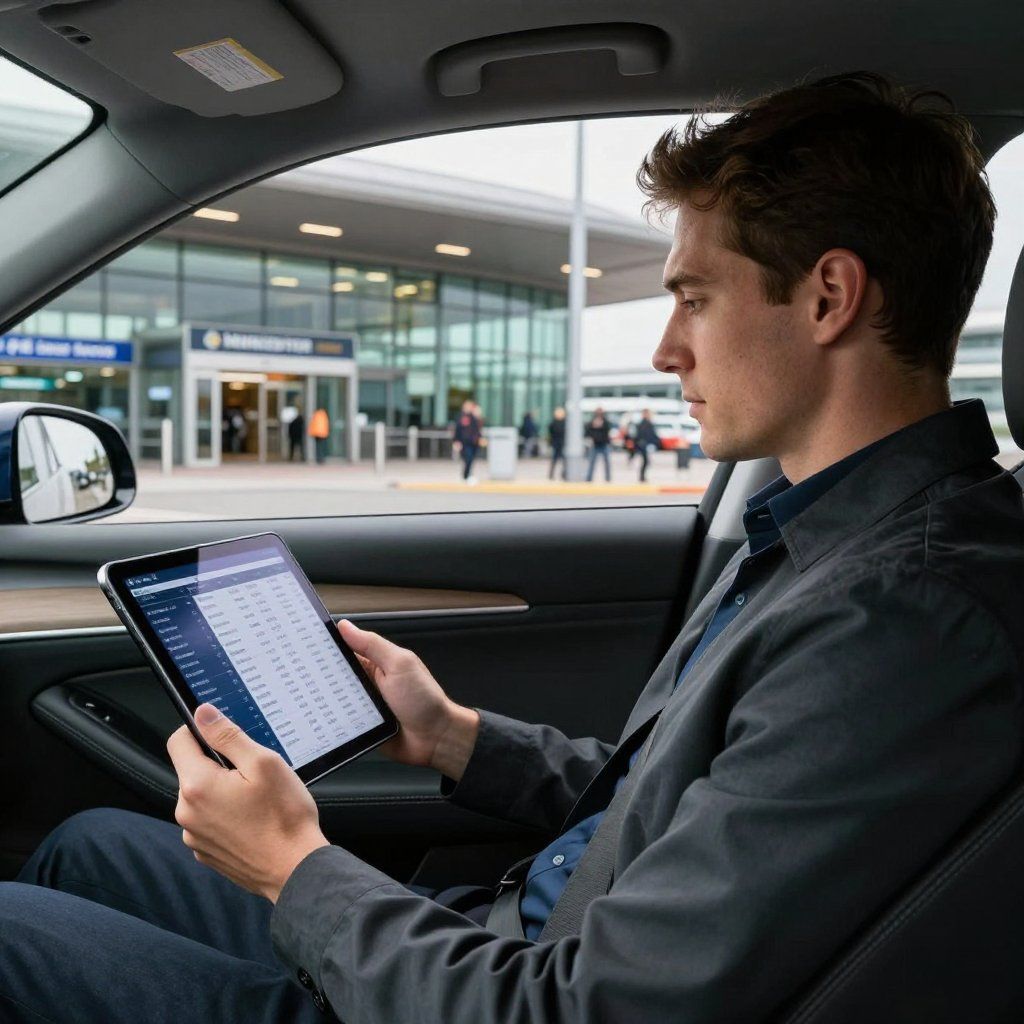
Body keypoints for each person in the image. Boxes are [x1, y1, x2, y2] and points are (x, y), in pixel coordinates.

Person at [4, 72, 1024, 1024]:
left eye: (695, 296)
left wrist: (292, 866)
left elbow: (578, 1009)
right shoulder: (834, 544)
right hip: (496, 939)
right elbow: (667, 808)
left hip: (504, 989)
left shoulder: (901, 617)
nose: (668, 348)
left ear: (828, 297)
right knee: (88, 843)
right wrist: (449, 733)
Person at [452, 399, 482, 482]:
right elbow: (457, 430)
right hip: (465, 443)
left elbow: (478, 430)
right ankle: (466, 476)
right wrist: (456, 441)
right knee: (468, 458)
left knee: (471, 459)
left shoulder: (474, 417)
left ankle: (468, 475)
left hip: (474, 443)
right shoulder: (461, 417)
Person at [584, 406, 612, 482]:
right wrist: (594, 425)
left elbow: (608, 429)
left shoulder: (605, 422)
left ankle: (608, 478)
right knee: (591, 463)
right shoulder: (591, 423)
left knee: (607, 463)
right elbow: (587, 432)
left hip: (604, 444)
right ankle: (588, 478)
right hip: (595, 445)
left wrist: (601, 425)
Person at [633, 408, 661, 482]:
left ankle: (642, 477)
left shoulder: (645, 423)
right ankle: (642, 477)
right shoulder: (644, 423)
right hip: (643, 445)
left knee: (646, 461)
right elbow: (643, 435)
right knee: (645, 461)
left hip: (644, 445)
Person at [547, 406, 566, 479]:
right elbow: (551, 433)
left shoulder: (564, 422)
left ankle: (563, 474)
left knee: (563, 460)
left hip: (561, 443)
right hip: (556, 443)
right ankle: (551, 475)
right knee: (555, 459)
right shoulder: (553, 423)